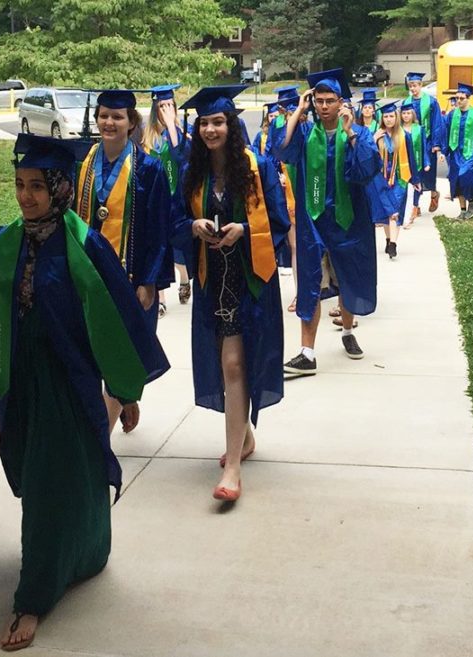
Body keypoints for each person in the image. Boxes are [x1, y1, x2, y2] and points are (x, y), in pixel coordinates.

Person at [0, 134, 166, 651]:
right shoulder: (2, 243)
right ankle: (87, 552)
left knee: (53, 485)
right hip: (20, 384)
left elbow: (117, 319)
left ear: (59, 188)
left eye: (36, 186)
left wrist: (125, 389)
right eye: (19, 185)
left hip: (68, 383)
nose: (26, 196)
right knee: (60, 475)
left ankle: (34, 594)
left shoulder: (85, 245)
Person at [174, 86, 290, 501]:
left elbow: (278, 222)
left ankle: (233, 470)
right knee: (228, 365)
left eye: (218, 122)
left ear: (232, 126)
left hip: (248, 281)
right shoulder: (192, 172)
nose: (210, 129)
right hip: (211, 282)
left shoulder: (256, 167)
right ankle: (246, 435)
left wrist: (245, 230)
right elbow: (175, 219)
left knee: (235, 365)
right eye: (204, 123)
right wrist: (193, 226)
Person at [74, 89, 174, 433]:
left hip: (130, 277)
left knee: (123, 351)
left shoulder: (149, 169)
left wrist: (149, 282)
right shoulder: (83, 163)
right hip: (88, 276)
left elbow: (160, 231)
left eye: (117, 117)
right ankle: (125, 399)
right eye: (103, 115)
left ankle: (99, 439)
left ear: (132, 122)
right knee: (94, 347)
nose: (109, 122)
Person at [280, 68, 381, 373]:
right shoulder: (305, 134)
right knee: (311, 282)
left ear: (341, 103)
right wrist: (298, 111)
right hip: (314, 218)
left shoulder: (359, 134)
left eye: (330, 101)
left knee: (348, 276)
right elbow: (282, 150)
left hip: (348, 219)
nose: (323, 106)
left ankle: (348, 332)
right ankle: (307, 353)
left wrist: (350, 133)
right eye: (318, 101)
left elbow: (367, 170)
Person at [143, 84, 193, 310]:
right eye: (162, 106)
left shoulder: (184, 131)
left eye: (170, 105)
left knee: (179, 251)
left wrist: (174, 125)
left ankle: (184, 278)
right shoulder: (149, 134)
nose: (166, 109)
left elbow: (180, 155)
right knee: (158, 246)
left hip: (179, 198)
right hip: (158, 198)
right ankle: (161, 299)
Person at [371, 101, 421, 258]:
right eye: (385, 116)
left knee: (395, 211)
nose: (388, 119)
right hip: (381, 179)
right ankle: (388, 239)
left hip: (400, 178)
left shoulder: (404, 136)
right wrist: (372, 140)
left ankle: (393, 244)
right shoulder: (378, 135)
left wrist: (415, 179)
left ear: (396, 117)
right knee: (387, 211)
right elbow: (368, 156)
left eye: (391, 116)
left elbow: (411, 158)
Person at [268, 85, 301, 312]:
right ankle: (301, 293)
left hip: (310, 189)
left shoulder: (309, 124)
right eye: (283, 108)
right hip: (286, 192)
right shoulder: (277, 126)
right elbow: (272, 153)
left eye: (291, 107)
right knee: (295, 246)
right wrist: (275, 176)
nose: (286, 111)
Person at [442, 83, 473, 220]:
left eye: (461, 98)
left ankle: (471, 202)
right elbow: (445, 133)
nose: (458, 101)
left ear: (469, 98)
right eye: (457, 98)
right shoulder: (452, 115)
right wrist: (442, 152)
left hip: (471, 153)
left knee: (465, 178)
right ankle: (462, 210)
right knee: (456, 181)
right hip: (455, 152)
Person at [405, 72, 444, 212]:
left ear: (421, 85)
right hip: (412, 142)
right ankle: (416, 204)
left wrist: (436, 145)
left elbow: (437, 124)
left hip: (427, 143)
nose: (413, 89)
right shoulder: (406, 102)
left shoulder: (431, 102)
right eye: (410, 86)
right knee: (414, 173)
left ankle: (434, 194)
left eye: (415, 85)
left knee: (429, 173)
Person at [400, 97, 432, 226]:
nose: (406, 116)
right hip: (402, 162)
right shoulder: (398, 129)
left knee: (416, 186)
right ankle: (405, 208)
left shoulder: (419, 129)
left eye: (408, 113)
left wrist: (426, 162)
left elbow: (424, 147)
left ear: (412, 114)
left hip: (417, 161)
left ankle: (414, 207)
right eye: (404, 113)